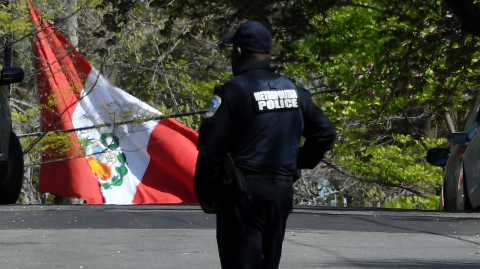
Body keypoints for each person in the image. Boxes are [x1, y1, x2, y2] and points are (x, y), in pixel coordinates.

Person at [194, 20, 337, 269]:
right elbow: (325, 133)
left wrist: (205, 192)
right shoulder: (293, 91)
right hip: (280, 192)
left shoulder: (232, 92)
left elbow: (209, 146)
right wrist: (296, 164)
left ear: (238, 52)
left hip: (242, 194)